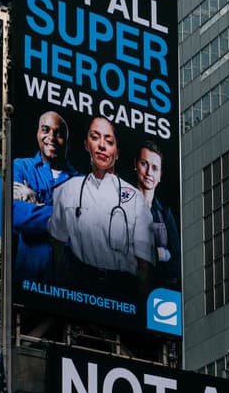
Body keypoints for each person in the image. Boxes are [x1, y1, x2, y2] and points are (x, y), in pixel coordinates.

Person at [48, 117, 154, 295]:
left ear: (117, 152)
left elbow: (145, 264)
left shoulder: (135, 199)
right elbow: (56, 240)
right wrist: (64, 276)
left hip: (122, 289)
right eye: (95, 137)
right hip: (80, 286)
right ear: (86, 144)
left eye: (109, 141)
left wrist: (140, 308)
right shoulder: (67, 190)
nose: (102, 145)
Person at [12, 111, 77, 285]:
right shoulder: (21, 166)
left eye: (59, 133)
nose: (51, 137)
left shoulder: (82, 182)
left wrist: (35, 204)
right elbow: (16, 215)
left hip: (68, 290)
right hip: (26, 283)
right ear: (38, 134)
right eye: (45, 130)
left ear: (68, 143)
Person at [133, 142, 179, 286]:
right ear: (135, 164)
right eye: (144, 164)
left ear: (160, 175)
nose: (149, 173)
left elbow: (175, 266)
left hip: (157, 292)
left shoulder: (165, 215)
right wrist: (161, 254)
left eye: (154, 168)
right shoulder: (120, 203)